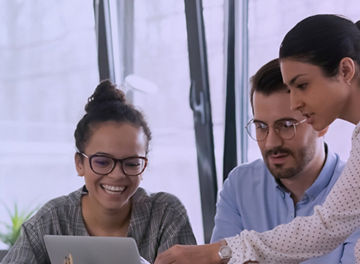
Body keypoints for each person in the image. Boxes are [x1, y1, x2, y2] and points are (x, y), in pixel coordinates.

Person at [154, 14, 360, 264]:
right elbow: (327, 229)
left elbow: (325, 228)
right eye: (261, 126)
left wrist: (219, 252)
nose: (296, 102)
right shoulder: (240, 185)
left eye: (303, 85)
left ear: (346, 70)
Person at [2, 80, 196, 264]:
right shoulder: (51, 221)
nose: (117, 174)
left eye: (132, 163)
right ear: (79, 163)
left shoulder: (165, 215)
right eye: (102, 162)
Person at [211, 58, 359, 263]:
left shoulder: (354, 193)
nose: (271, 142)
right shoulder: (239, 185)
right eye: (261, 126)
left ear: (322, 124)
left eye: (287, 125)